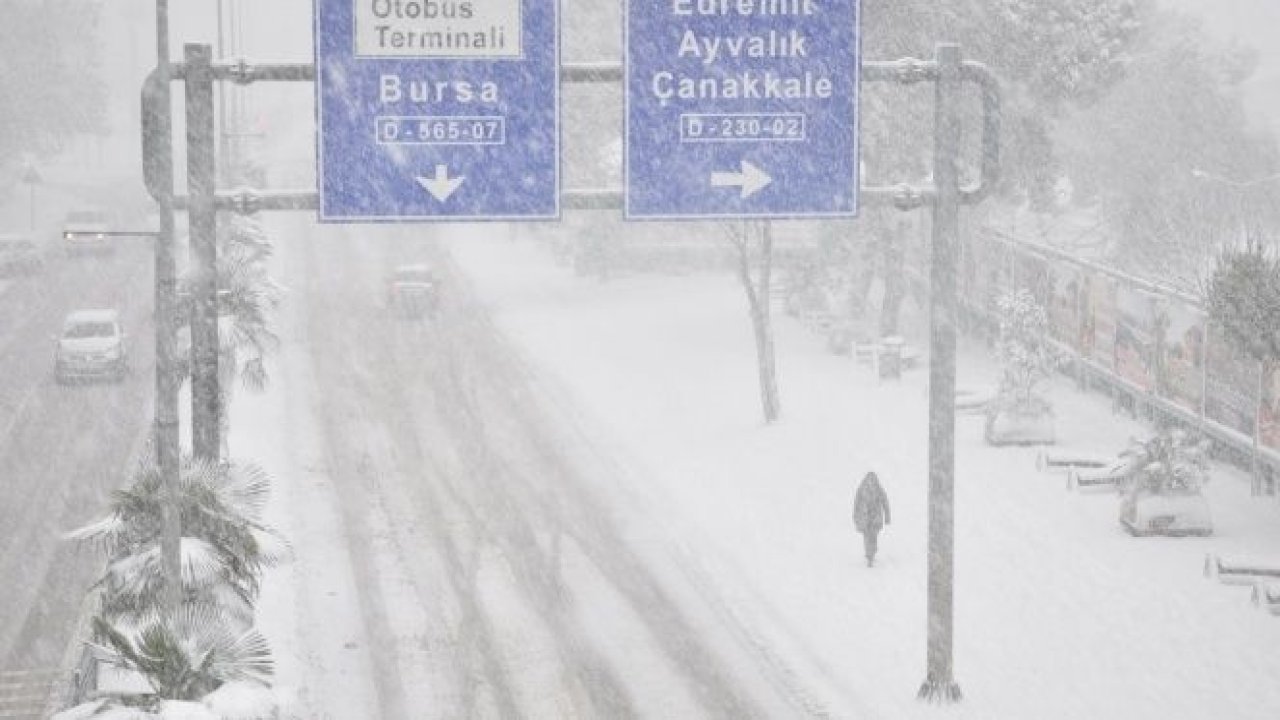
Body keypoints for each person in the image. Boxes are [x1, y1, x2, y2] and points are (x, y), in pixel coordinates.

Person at [853, 471, 891, 566]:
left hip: (875, 518)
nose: (871, 482)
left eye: (873, 479)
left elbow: (885, 502)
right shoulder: (861, 489)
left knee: (872, 536)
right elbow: (856, 504)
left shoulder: (878, 489)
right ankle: (870, 555)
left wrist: (887, 516)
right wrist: (855, 516)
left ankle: (871, 553)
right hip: (866, 518)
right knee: (867, 536)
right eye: (870, 479)